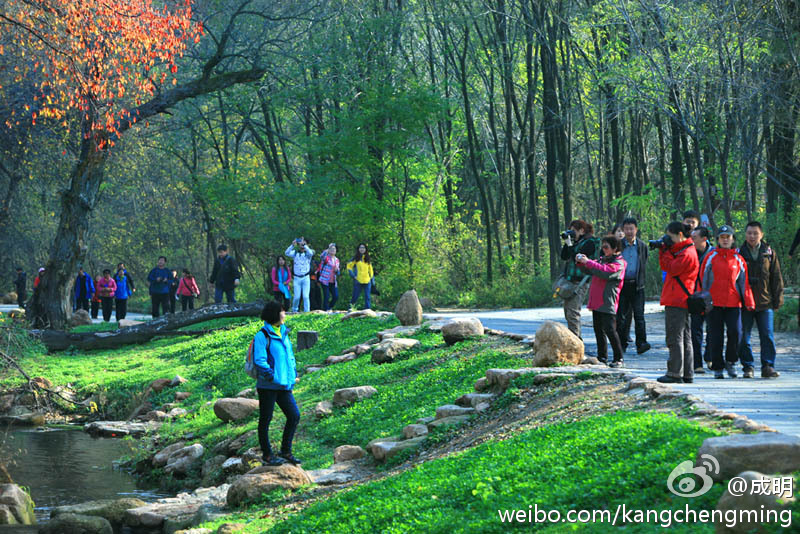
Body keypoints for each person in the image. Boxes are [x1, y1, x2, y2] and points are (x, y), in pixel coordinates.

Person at [701, 225, 755, 379]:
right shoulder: (711, 257)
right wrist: (702, 301)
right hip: (714, 304)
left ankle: (731, 362)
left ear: (733, 239)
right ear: (717, 240)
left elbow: (744, 283)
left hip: (733, 303)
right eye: (722, 237)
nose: (725, 240)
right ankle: (718, 367)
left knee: (736, 333)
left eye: (728, 237)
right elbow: (702, 280)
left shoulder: (738, 259)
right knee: (715, 336)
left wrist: (748, 301)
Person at [253, 300, 300, 467]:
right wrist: (271, 376)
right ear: (275, 314)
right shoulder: (262, 335)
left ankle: (285, 451)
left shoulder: (284, 333)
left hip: (284, 385)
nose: (285, 314)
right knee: (266, 419)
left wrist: (293, 373)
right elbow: (259, 360)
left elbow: (290, 356)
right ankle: (267, 455)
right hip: (268, 385)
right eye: (282, 311)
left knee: (294, 416)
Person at [737, 222, 783, 378]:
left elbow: (776, 278)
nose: (752, 236)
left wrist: (778, 300)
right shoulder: (739, 253)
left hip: (765, 301)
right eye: (749, 233)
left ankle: (768, 366)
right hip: (744, 302)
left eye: (755, 233)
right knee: (743, 336)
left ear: (761, 235)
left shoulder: (769, 253)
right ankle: (748, 367)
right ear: (745, 234)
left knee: (767, 335)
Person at [656, 222, 700, 384]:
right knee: (685, 338)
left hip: (677, 299)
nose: (668, 240)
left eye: (671, 236)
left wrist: (664, 250)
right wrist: (666, 249)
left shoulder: (687, 253)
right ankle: (686, 373)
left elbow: (671, 268)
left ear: (680, 235)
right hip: (679, 298)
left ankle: (675, 372)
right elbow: (668, 265)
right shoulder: (684, 250)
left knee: (674, 338)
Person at [576, 236, 627, 367]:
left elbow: (606, 272)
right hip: (596, 301)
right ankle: (602, 357)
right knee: (598, 329)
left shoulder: (619, 263)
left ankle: (618, 357)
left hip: (608, 301)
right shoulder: (602, 260)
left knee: (610, 329)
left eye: (606, 247)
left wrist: (589, 262)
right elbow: (589, 268)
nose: (603, 250)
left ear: (615, 248)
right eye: (602, 247)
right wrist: (581, 261)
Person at [616, 218, 651, 354]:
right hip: (622, 285)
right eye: (626, 229)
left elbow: (644, 262)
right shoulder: (618, 245)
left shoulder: (642, 246)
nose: (629, 231)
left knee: (639, 316)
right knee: (621, 317)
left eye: (632, 228)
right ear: (623, 230)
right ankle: (621, 343)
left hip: (637, 286)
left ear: (636, 229)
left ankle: (641, 343)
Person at [559, 220, 597, 339]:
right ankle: (575, 340)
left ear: (582, 230)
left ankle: (576, 342)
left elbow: (577, 256)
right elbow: (564, 256)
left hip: (580, 281)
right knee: (567, 312)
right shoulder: (574, 242)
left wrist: (571, 245)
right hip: (569, 281)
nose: (572, 233)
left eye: (574, 230)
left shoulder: (590, 242)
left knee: (573, 313)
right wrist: (567, 242)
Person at [689, 226, 714, 373]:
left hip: (711, 296)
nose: (692, 241)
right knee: (695, 331)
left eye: (694, 238)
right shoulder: (689, 253)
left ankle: (710, 356)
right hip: (695, 297)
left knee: (712, 329)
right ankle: (697, 363)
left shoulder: (714, 254)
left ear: (704, 239)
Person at [285, 238, 314, 313]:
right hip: (297, 278)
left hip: (306, 277)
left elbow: (311, 253)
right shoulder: (295, 253)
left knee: (305, 296)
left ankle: (307, 312)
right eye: (301, 244)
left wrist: (305, 245)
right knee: (297, 297)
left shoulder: (308, 254)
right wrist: (292, 245)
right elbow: (286, 253)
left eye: (303, 244)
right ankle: (294, 310)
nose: (302, 246)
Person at [347, 243, 374, 310]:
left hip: (367, 280)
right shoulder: (355, 258)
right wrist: (353, 276)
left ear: (365, 249)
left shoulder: (367, 258)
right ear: (358, 249)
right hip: (358, 280)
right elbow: (349, 266)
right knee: (355, 296)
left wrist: (372, 280)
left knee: (367, 296)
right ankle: (350, 308)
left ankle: (367, 310)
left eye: (363, 248)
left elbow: (371, 270)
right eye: (360, 248)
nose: (362, 249)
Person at [318, 243, 340, 311]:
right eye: (331, 249)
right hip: (325, 280)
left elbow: (338, 272)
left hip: (333, 281)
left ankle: (329, 307)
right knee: (326, 296)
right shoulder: (326, 257)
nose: (333, 250)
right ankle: (325, 309)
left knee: (335, 296)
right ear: (329, 250)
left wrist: (337, 270)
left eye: (334, 249)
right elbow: (321, 255)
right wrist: (328, 248)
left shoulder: (337, 260)